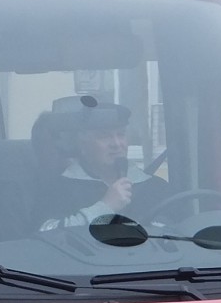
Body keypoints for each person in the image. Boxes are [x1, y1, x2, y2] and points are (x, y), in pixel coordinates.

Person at [37, 96, 171, 230]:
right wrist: (105, 207)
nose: (117, 144)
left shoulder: (155, 187)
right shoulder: (60, 188)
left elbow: (174, 237)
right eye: (104, 136)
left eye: (121, 134)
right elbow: (46, 232)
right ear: (82, 143)